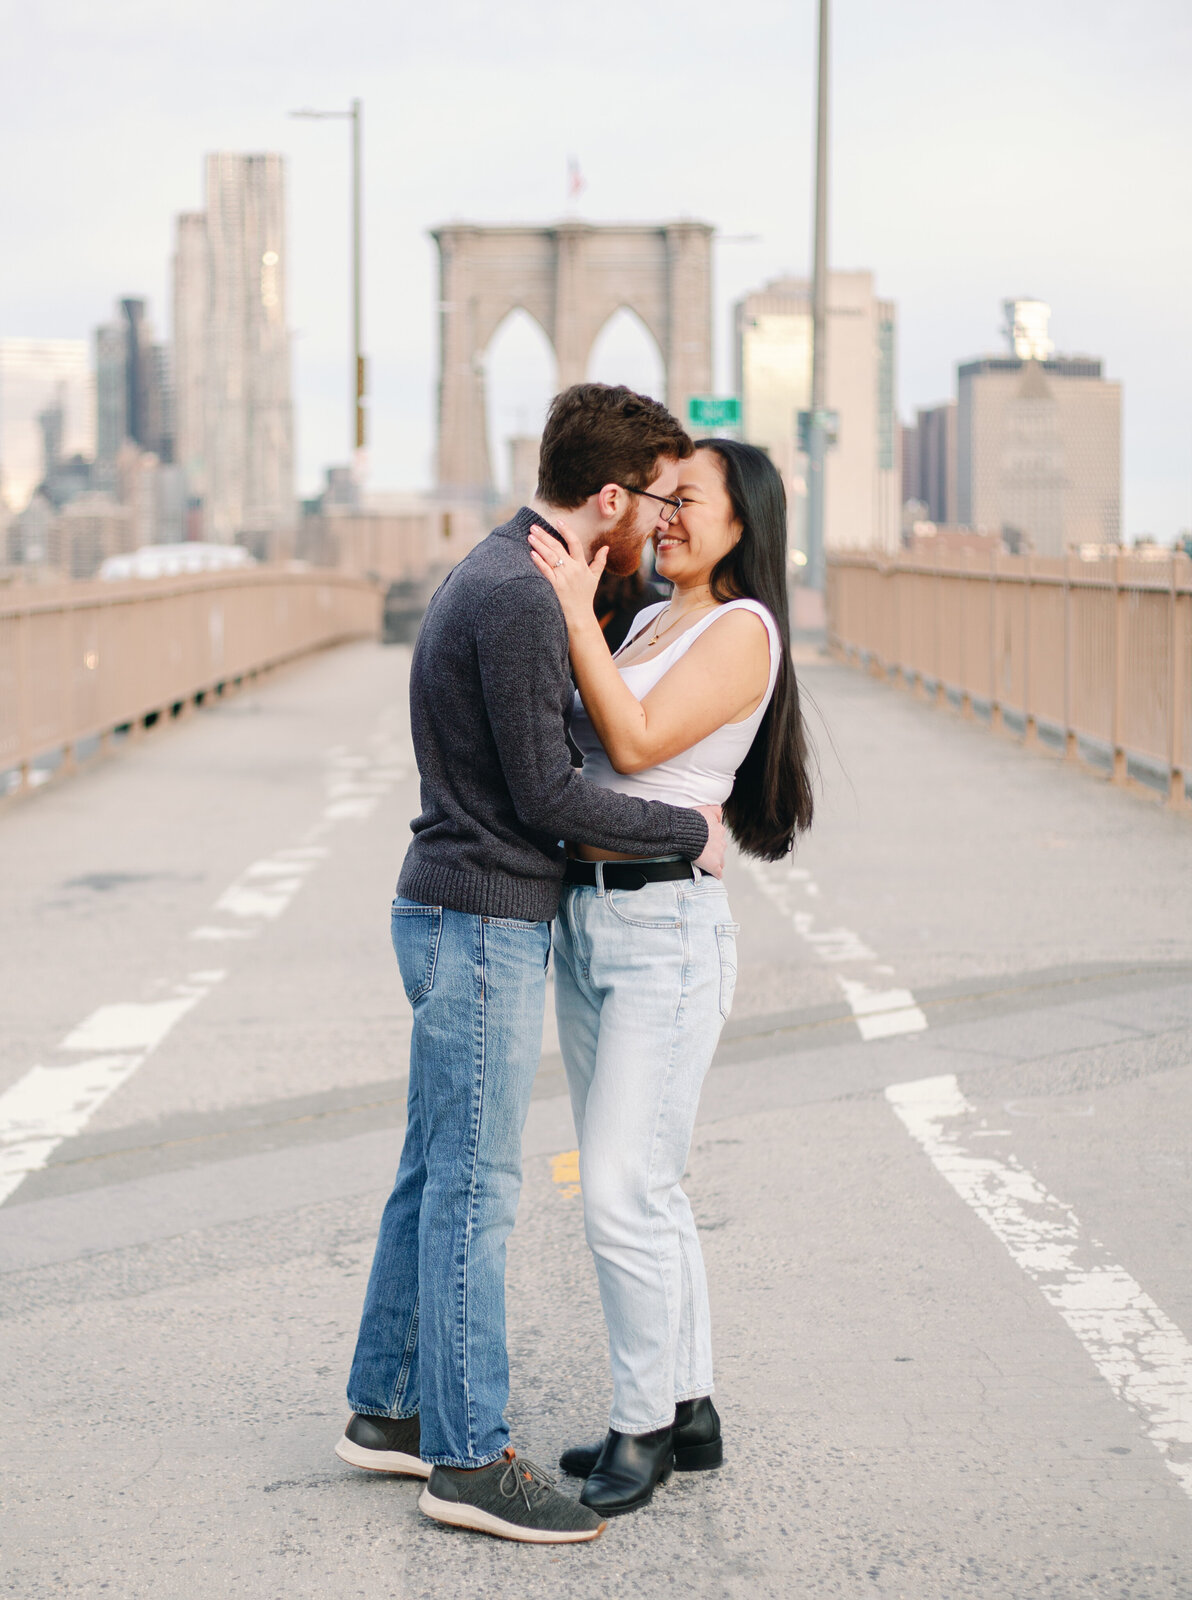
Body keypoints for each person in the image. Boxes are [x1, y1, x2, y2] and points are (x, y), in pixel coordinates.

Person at [335, 384, 726, 1546]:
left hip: (461, 913)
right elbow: (548, 792)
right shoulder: (515, 596)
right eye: (652, 494)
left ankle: (390, 1407)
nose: (657, 519)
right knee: (475, 1191)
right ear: (607, 494)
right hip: (484, 920)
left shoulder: (513, 573)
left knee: (431, 1171)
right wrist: (690, 832)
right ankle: (466, 1458)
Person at [527, 438, 814, 1516]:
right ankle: (690, 1411)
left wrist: (566, 609)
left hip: (670, 935)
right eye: (663, 497)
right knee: (651, 1186)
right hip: (593, 925)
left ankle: (640, 1424)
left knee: (617, 1191)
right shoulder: (650, 618)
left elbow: (636, 741)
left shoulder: (746, 631)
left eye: (690, 500)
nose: (668, 515)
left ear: (747, 524)